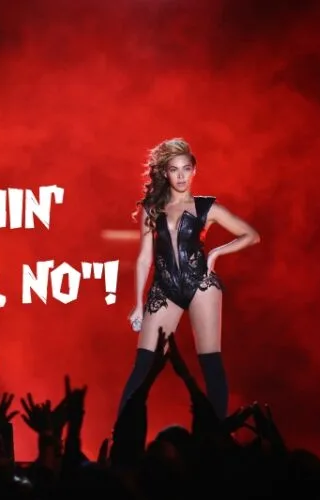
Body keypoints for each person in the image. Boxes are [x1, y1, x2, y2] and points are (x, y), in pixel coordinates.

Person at [116, 138, 260, 421]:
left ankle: (216, 435)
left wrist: (216, 252)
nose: (181, 176)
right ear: (165, 173)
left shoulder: (208, 208)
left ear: (194, 170)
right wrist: (138, 304)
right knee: (143, 366)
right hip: (164, 289)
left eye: (186, 169)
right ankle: (121, 436)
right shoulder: (151, 208)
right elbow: (144, 258)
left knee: (210, 363)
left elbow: (252, 235)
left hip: (201, 286)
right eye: (174, 169)